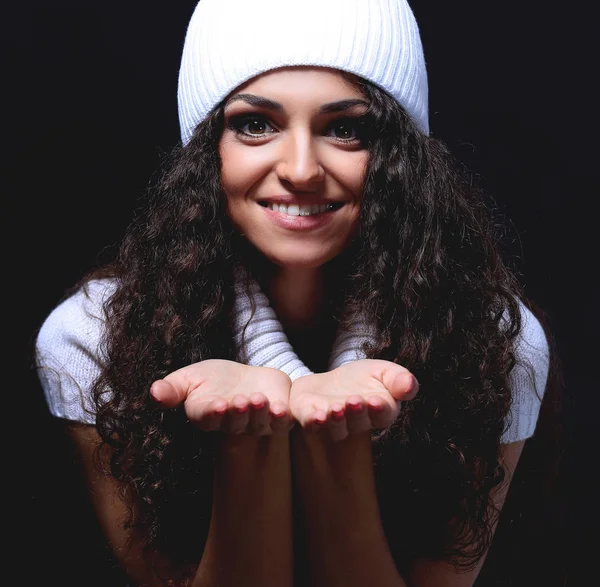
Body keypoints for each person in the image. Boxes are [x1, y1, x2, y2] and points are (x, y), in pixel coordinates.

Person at [34, 0, 564, 586]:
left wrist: (334, 437)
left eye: (347, 129)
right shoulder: (92, 337)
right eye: (256, 124)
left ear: (401, 158)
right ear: (206, 151)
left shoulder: (492, 338)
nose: (302, 169)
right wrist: (247, 440)